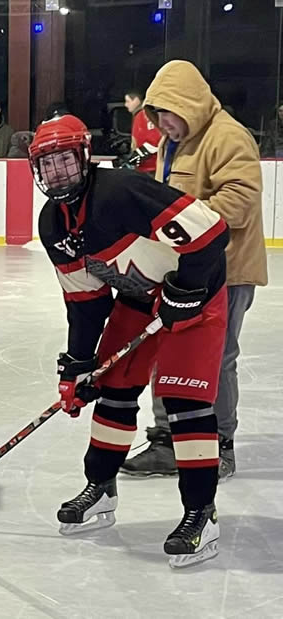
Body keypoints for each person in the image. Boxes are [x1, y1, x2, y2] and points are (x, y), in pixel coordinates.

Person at [30, 114, 229, 567]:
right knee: (113, 387)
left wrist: (187, 291)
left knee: (185, 403)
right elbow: (86, 301)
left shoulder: (120, 193)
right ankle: (100, 488)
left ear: (83, 158)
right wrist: (80, 364)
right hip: (141, 301)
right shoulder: (53, 225)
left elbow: (212, 233)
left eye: (65, 160)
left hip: (196, 300)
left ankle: (202, 511)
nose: (58, 172)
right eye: (48, 164)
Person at [121, 60, 267, 480]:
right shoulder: (174, 141)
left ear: (190, 104)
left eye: (169, 112)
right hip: (182, 271)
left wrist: (182, 225)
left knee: (217, 359)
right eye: (156, 114)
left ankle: (220, 444)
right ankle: (168, 440)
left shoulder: (227, 137)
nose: (162, 123)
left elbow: (239, 199)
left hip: (227, 271)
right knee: (167, 351)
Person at [121, 89, 161, 174]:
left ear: (136, 100)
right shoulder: (139, 115)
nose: (126, 105)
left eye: (128, 101)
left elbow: (156, 139)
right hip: (145, 167)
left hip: (151, 167)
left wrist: (139, 154)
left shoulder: (145, 115)